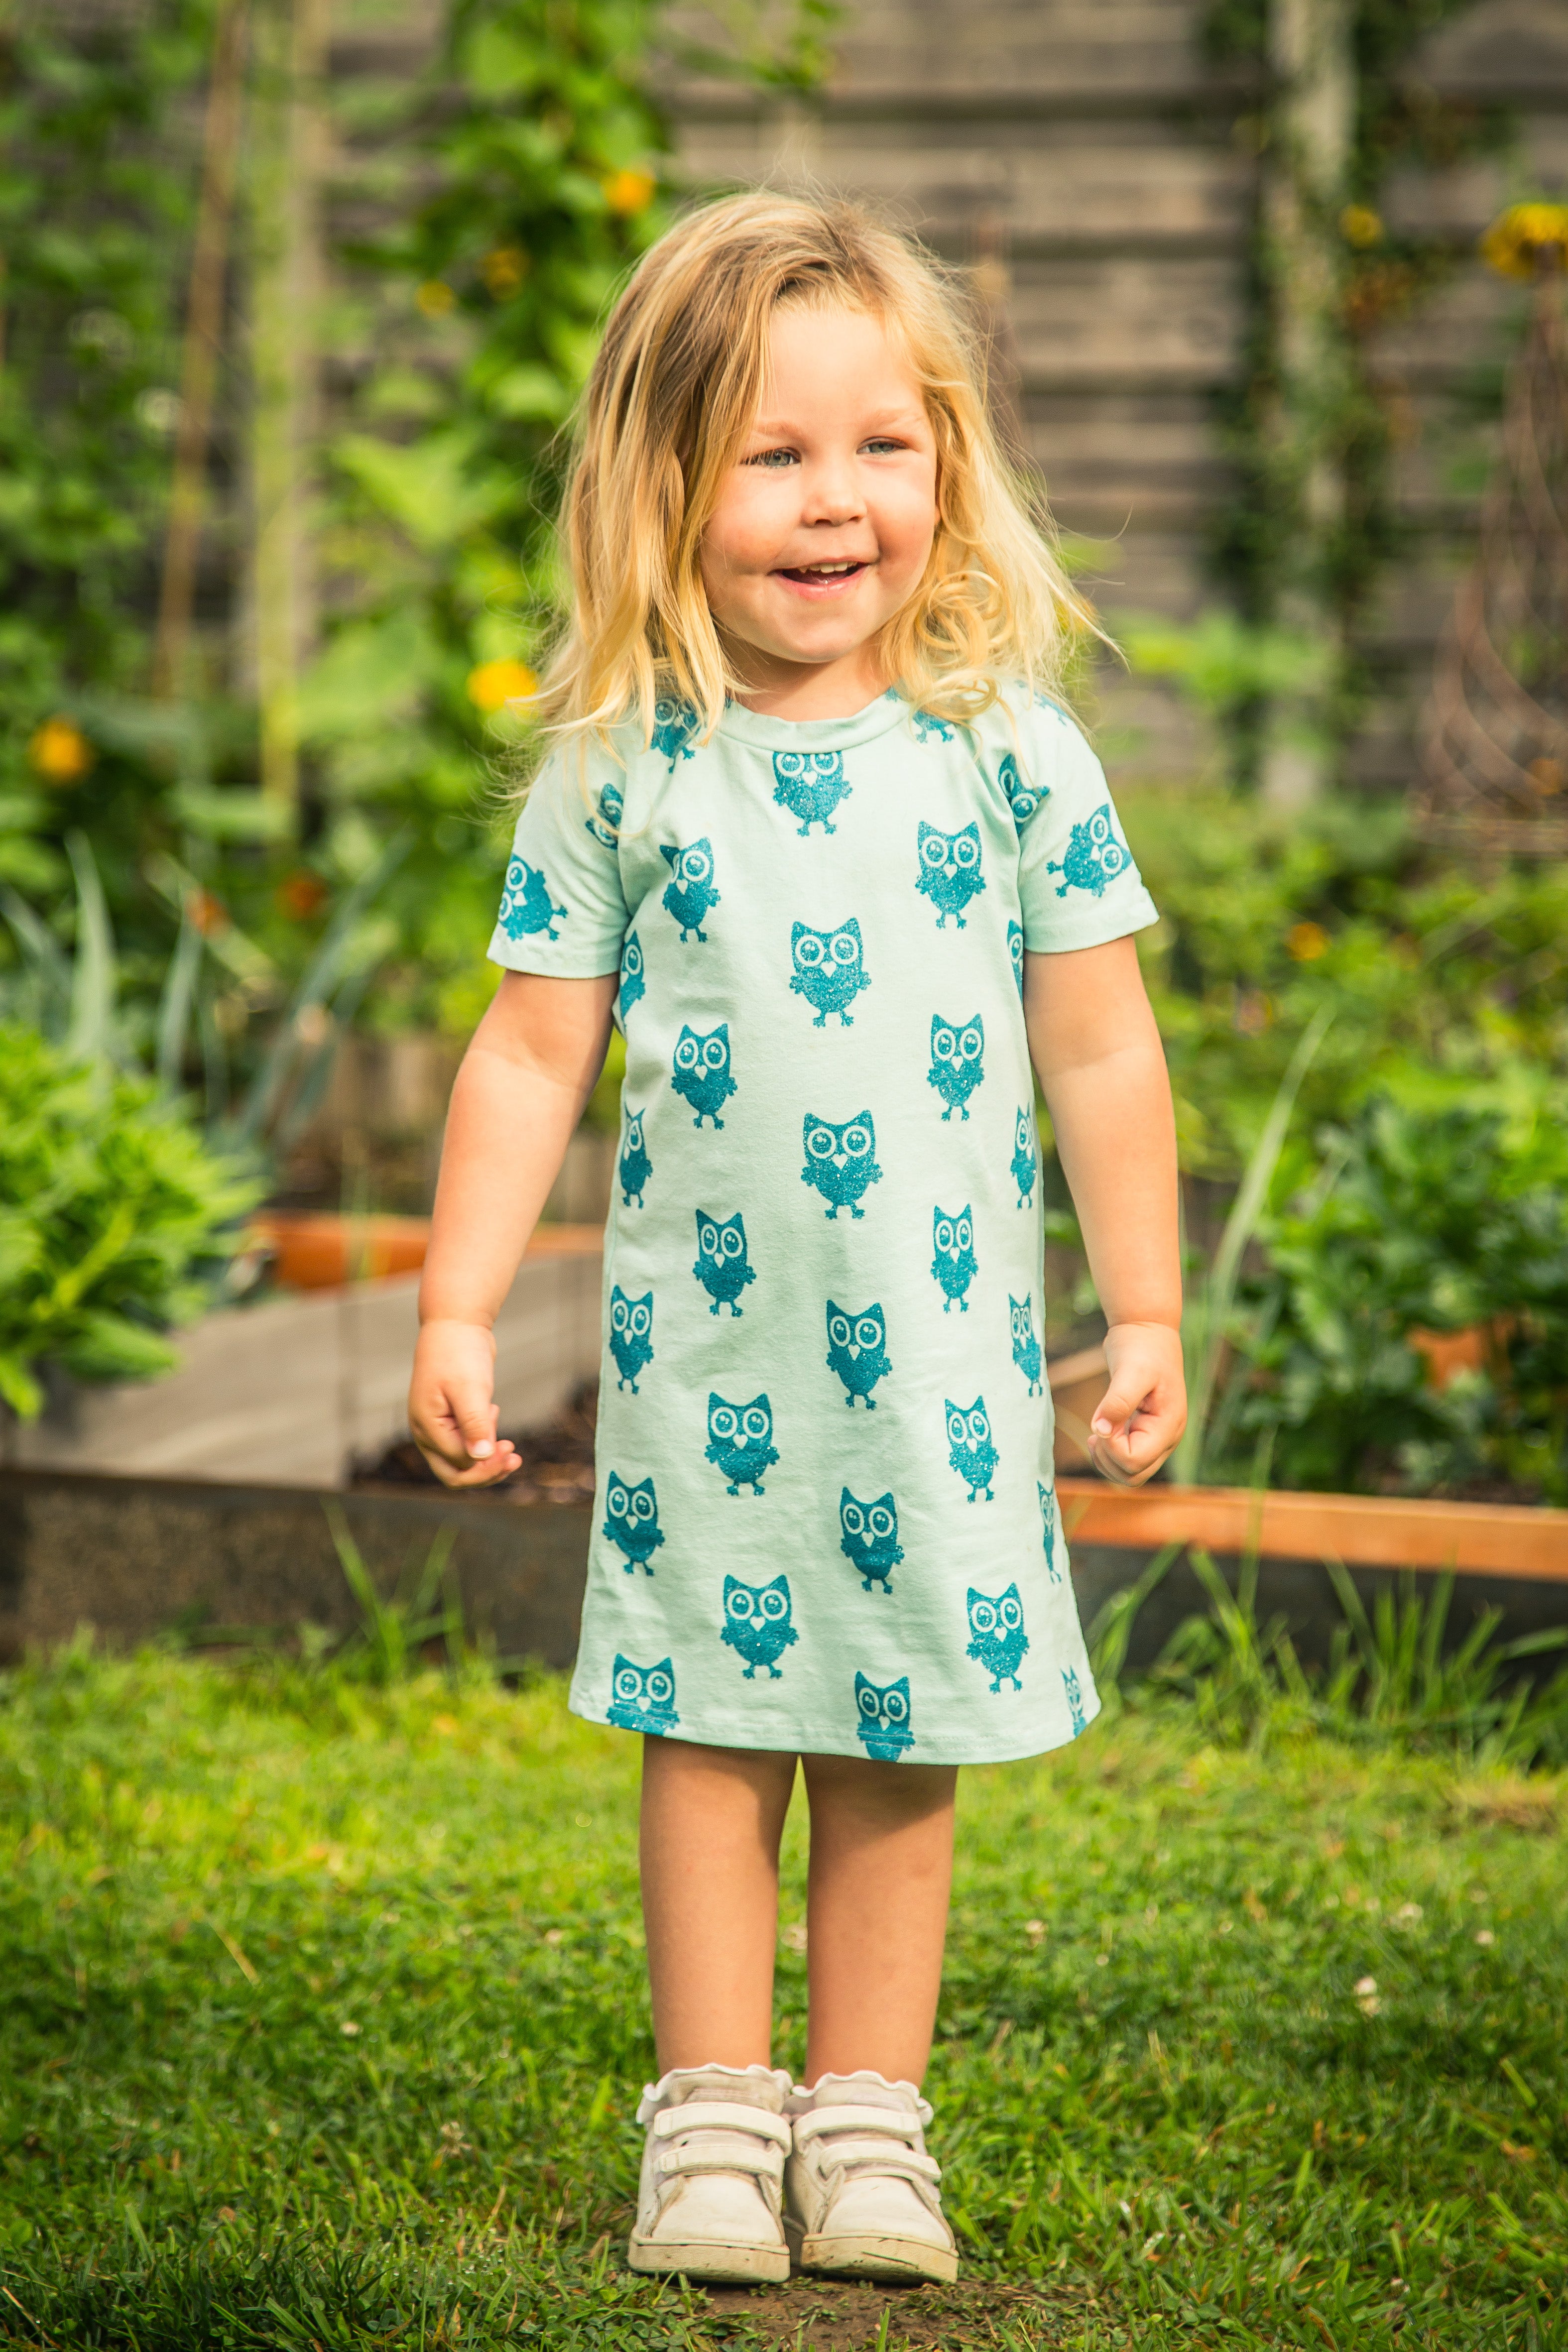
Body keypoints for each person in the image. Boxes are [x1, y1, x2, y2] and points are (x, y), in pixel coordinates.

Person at [407, 192, 1186, 2288]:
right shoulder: (624, 770)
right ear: (664, 484)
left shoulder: (1007, 752)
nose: (837, 500)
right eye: (772, 453)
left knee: (901, 1731)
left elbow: (1101, 1043)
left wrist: (1142, 1304)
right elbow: (527, 1051)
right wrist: (459, 1301)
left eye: (882, 445)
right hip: (711, 1370)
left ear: (948, 459)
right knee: (712, 1721)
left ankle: (863, 2121)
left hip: (939, 1365)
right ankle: (712, 2114)